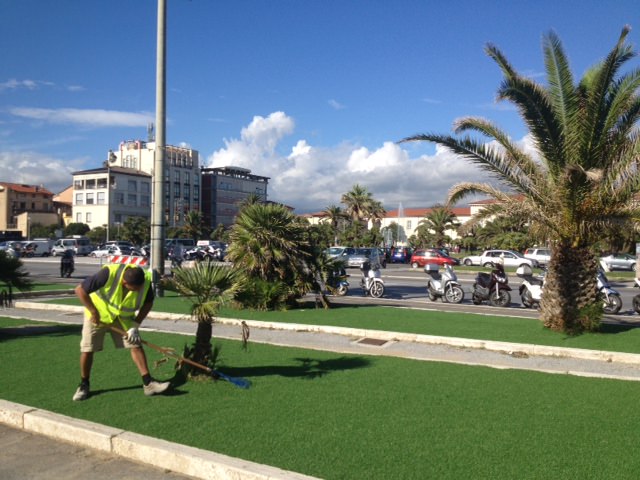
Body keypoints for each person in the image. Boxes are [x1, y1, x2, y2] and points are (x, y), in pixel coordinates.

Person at [72, 264, 170, 401]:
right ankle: (84, 384)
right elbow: (79, 290)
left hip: (123, 318)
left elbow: (148, 303)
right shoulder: (107, 273)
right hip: (97, 316)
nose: (138, 291)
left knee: (135, 345)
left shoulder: (144, 282)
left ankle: (148, 384)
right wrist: (93, 311)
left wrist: (135, 326)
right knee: (87, 349)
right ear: (125, 283)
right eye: (135, 289)